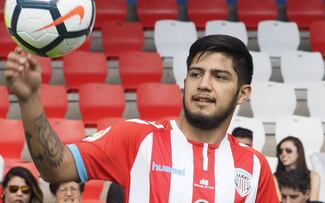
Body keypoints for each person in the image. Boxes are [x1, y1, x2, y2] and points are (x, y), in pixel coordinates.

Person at [4, 35, 279, 202]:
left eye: (219, 77)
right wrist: (29, 99)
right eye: (196, 73)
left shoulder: (255, 168)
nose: (204, 84)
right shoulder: (137, 138)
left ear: (243, 93)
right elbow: (57, 168)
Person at [274, 136, 320, 201]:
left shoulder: (313, 176)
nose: (283, 154)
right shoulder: (274, 177)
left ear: (299, 152)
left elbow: (314, 201)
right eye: (280, 151)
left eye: (288, 151)